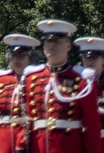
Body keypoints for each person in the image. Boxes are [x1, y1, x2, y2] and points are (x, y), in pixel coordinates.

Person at [20, 21, 100, 153]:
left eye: (57, 41)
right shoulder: (31, 78)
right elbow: (26, 120)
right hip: (38, 147)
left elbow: (92, 125)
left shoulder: (82, 79)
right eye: (48, 42)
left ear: (68, 46)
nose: (51, 45)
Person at [0, 36, 39, 153]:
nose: (16, 60)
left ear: (31, 57)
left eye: (21, 56)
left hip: (29, 138)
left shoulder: (37, 79)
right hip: (2, 138)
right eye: (13, 56)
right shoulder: (0, 79)